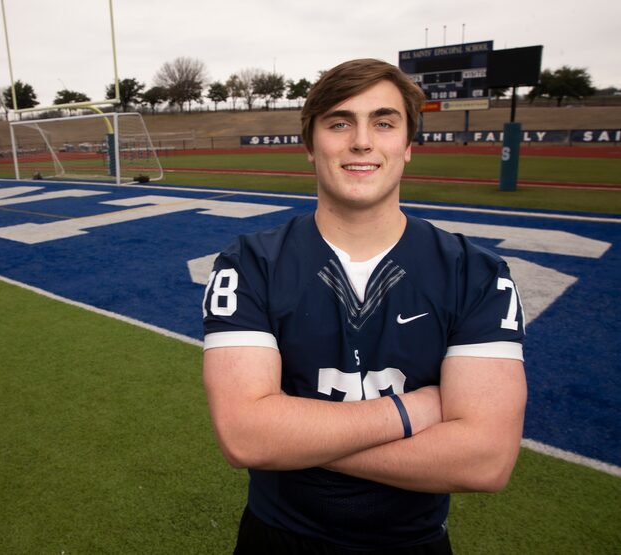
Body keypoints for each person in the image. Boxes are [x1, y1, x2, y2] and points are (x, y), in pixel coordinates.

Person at [202, 58, 527, 554]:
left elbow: (484, 461)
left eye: (383, 122)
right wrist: (412, 410)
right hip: (276, 538)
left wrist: (294, 439)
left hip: (413, 543)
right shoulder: (249, 264)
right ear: (311, 146)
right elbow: (246, 438)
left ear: (407, 145)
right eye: (339, 122)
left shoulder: (475, 273)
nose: (361, 141)